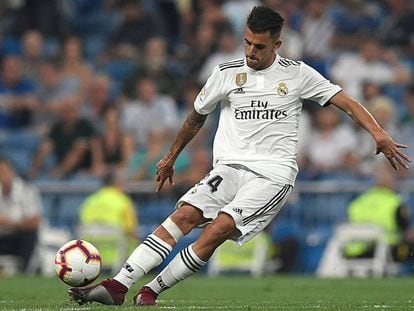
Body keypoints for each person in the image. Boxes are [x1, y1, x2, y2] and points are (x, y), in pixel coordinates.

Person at [68, 6, 411, 307]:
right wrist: (171, 156)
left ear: (277, 44)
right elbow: (196, 116)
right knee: (184, 215)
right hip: (229, 168)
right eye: (246, 42)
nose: (251, 51)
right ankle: (118, 285)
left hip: (272, 175)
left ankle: (153, 290)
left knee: (220, 227)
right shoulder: (226, 73)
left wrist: (379, 133)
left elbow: (347, 102)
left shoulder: (298, 74)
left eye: (259, 47)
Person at [345, 163, 414, 263]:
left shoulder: (358, 201)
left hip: (355, 250)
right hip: (386, 251)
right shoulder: (394, 202)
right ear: (392, 181)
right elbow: (408, 233)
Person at [0, 157, 41, 272]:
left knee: (29, 234)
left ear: (12, 172)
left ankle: (25, 270)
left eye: (3, 173)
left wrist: (8, 222)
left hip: (19, 238)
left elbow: (34, 222)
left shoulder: (26, 191)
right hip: (2, 237)